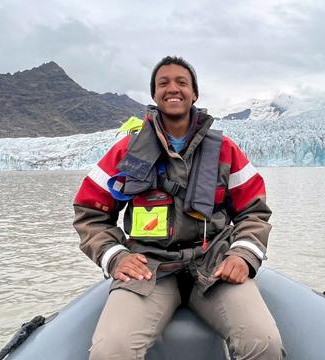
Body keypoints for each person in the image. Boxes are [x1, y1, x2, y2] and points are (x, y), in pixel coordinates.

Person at [73, 56, 285, 359]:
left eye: (182, 82)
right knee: (110, 351)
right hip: (150, 268)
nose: (173, 88)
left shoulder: (225, 150)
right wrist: (116, 256)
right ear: (154, 95)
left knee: (263, 342)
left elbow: (254, 211)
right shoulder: (127, 151)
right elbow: (90, 212)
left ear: (194, 93)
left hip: (214, 265)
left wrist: (243, 254)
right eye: (163, 83)